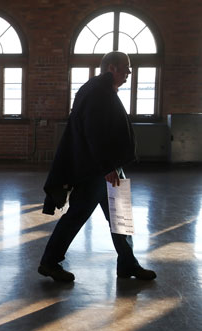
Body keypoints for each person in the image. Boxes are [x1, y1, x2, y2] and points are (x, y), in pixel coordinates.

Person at [39, 52, 156, 282]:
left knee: (119, 216)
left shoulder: (100, 90)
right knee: (79, 215)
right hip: (99, 169)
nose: (129, 73)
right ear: (111, 68)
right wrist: (107, 167)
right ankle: (50, 262)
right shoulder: (98, 93)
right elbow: (94, 134)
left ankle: (127, 264)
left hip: (105, 166)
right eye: (125, 68)